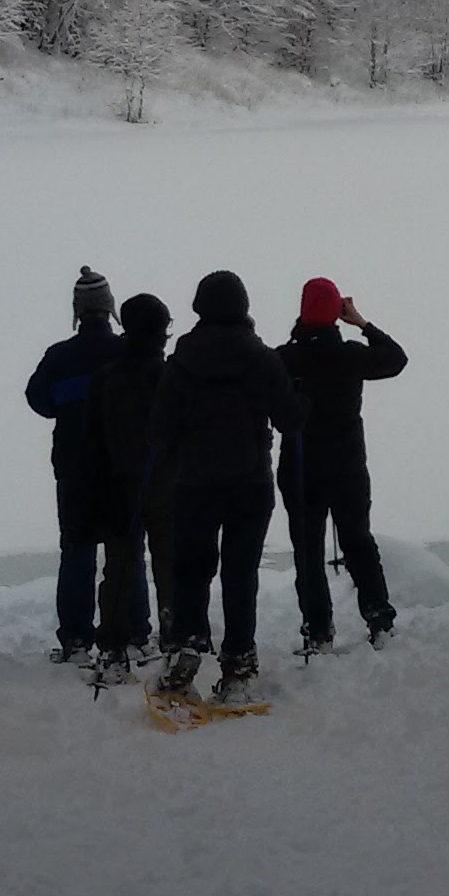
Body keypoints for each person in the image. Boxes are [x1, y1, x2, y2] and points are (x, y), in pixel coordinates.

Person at [147, 270, 303, 704]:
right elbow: (291, 420)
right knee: (240, 573)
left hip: (193, 483)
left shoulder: (181, 362)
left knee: (191, 569)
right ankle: (238, 666)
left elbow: (159, 431)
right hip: (250, 484)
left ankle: (187, 647)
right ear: (243, 307)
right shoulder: (263, 358)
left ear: (199, 307)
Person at [275, 277, 409, 651]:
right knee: (358, 541)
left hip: (300, 468)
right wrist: (362, 323)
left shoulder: (283, 359)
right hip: (347, 466)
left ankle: (318, 631)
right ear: (336, 311)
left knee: (308, 550)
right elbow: (396, 359)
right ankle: (379, 619)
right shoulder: (351, 356)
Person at [24, 267, 129, 662]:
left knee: (77, 550)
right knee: (125, 551)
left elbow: (37, 398)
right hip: (121, 465)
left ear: (77, 309)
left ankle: (76, 638)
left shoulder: (59, 356)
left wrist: (66, 412)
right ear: (110, 307)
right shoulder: (126, 350)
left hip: (73, 465)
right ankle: (132, 629)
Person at [88, 292, 173, 683]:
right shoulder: (169, 376)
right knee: (171, 566)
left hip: (117, 483)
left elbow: (91, 437)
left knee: (119, 567)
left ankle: (113, 650)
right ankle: (176, 643)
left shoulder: (108, 376)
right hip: (165, 482)